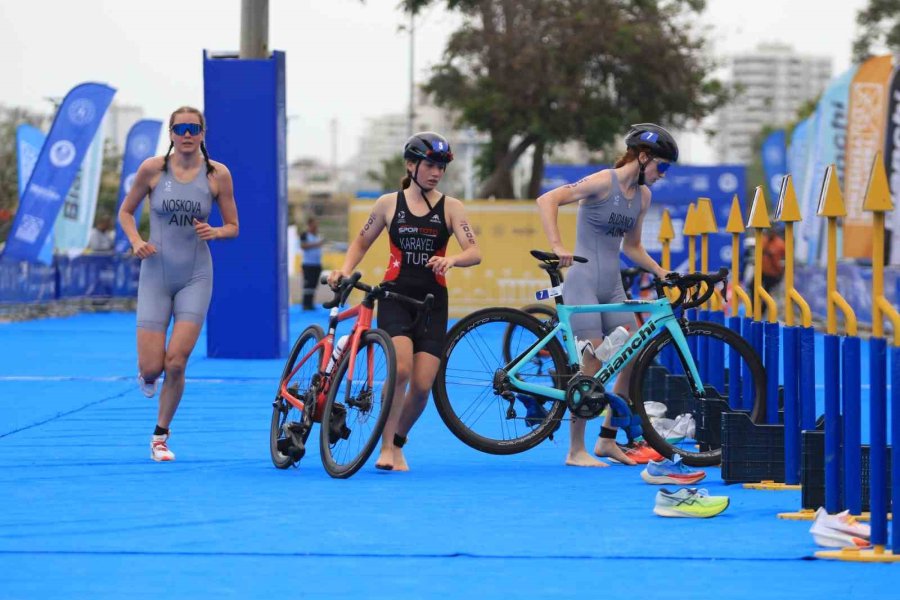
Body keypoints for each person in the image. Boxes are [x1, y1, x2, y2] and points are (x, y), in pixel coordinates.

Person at [328, 132, 481, 471]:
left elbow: (474, 252)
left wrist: (452, 260)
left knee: (423, 385)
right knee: (401, 371)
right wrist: (344, 270)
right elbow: (361, 242)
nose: (436, 173)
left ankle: (398, 441)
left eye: (441, 167)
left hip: (432, 304)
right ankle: (384, 448)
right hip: (395, 297)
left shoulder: (451, 207)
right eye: (430, 165)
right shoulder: (387, 204)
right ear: (411, 165)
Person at [536, 123, 675, 468]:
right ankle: (575, 450)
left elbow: (632, 247)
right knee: (594, 362)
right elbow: (548, 199)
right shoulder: (602, 181)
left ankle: (607, 439)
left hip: (612, 284)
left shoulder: (643, 196)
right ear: (643, 157)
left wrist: (661, 272)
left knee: (632, 352)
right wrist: (557, 245)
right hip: (583, 281)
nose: (662, 175)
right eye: (661, 167)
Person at [118, 106, 239, 462]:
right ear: (171, 133)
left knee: (176, 362)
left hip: (195, 276)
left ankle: (160, 436)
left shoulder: (217, 174)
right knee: (152, 367)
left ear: (203, 133)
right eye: (181, 128)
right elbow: (126, 212)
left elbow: (233, 226)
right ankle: (147, 375)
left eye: (194, 128)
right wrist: (136, 241)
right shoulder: (153, 169)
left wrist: (216, 231)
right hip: (155, 274)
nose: (187, 135)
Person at [299, 217, 324, 310]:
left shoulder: (317, 236)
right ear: (309, 225)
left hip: (317, 264)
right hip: (308, 264)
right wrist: (316, 244)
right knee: (308, 285)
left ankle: (311, 303)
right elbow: (303, 246)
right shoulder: (305, 235)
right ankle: (306, 304)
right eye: (314, 224)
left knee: (314, 284)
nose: (316, 226)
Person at [760, 227, 785, 293]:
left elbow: (785, 257)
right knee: (753, 286)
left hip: (773, 272)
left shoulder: (780, 244)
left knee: (767, 291)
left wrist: (781, 270)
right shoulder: (764, 240)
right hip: (762, 271)